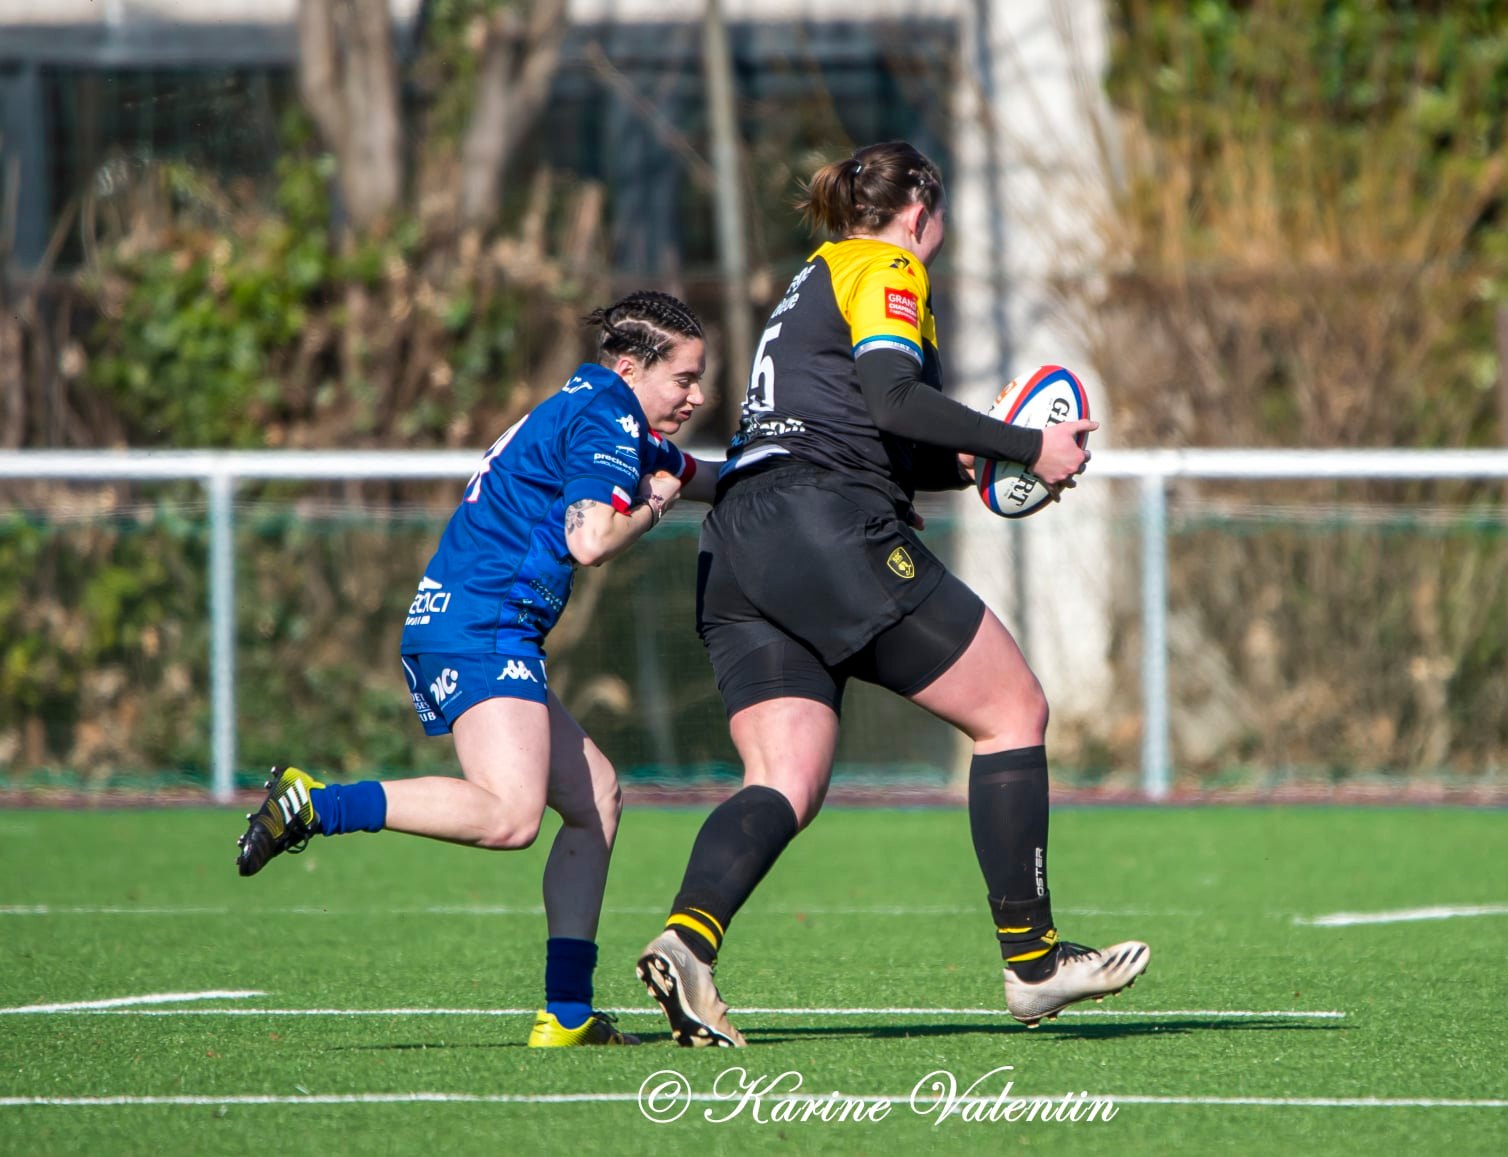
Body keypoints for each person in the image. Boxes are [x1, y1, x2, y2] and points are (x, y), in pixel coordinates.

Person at [635, 142, 1148, 1048]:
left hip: (740, 540)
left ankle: (687, 943)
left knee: (784, 779)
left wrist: (978, 460)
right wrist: (1030, 446)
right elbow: (892, 399)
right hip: (823, 529)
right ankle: (1033, 963)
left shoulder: (816, 274)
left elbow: (865, 431)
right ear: (920, 213)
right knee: (1013, 710)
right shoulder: (888, 266)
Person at [234, 290, 718, 1048]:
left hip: (471, 620)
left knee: (595, 798)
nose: (697, 396)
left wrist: (798, 464)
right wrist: (655, 507)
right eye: (684, 379)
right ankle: (318, 804)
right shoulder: (606, 417)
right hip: (483, 625)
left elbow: (701, 474)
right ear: (630, 368)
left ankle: (567, 1013)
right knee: (511, 817)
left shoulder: (596, 409)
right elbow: (592, 540)